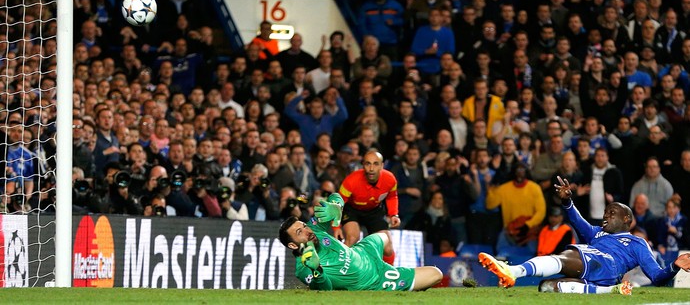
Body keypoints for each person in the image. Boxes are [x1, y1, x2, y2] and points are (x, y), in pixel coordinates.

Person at [479, 176, 690, 295]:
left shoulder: (637, 242)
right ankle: (605, 291)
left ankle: (512, 271)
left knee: (566, 257)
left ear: (627, 219)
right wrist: (567, 202)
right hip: (596, 269)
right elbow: (577, 221)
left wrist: (674, 266)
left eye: (612, 213)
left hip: (607, 264)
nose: (606, 216)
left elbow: (657, 278)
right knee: (547, 287)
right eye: (606, 212)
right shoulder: (597, 233)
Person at [278, 192, 443, 290]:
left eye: (304, 226)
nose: (308, 231)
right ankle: (394, 274)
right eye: (300, 232)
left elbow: (336, 196)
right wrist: (318, 270)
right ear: (292, 245)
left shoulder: (315, 229)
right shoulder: (303, 268)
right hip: (375, 278)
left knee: (385, 236)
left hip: (363, 250)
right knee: (436, 274)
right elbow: (324, 288)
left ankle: (390, 263)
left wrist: (336, 206)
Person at [336, 150, 399, 265]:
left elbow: (392, 196)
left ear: (382, 166)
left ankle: (390, 277)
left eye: (375, 164)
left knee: (388, 248)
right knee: (352, 239)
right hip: (351, 210)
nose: (371, 168)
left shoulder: (390, 180)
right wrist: (336, 227)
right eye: (367, 164)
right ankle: (336, 273)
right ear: (363, 165)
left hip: (374, 211)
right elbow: (337, 204)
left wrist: (393, 214)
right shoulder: (351, 181)